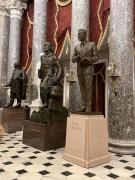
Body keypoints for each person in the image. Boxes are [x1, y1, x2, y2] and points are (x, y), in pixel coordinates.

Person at [72, 29, 97, 112]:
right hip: (80, 69)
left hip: (88, 69)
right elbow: (73, 59)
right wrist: (77, 57)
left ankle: (88, 106)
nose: (78, 35)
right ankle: (83, 105)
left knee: (88, 88)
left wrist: (88, 59)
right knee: (82, 88)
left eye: (80, 34)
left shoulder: (92, 44)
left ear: (85, 35)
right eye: (78, 34)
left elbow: (96, 57)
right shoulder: (76, 47)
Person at [38, 42, 63, 108]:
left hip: (50, 76)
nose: (44, 47)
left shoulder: (53, 57)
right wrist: (39, 72)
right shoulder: (42, 57)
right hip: (43, 76)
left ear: (50, 48)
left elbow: (60, 68)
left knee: (43, 87)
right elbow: (41, 67)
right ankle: (45, 105)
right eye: (44, 45)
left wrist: (57, 79)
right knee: (41, 92)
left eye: (46, 45)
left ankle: (46, 104)